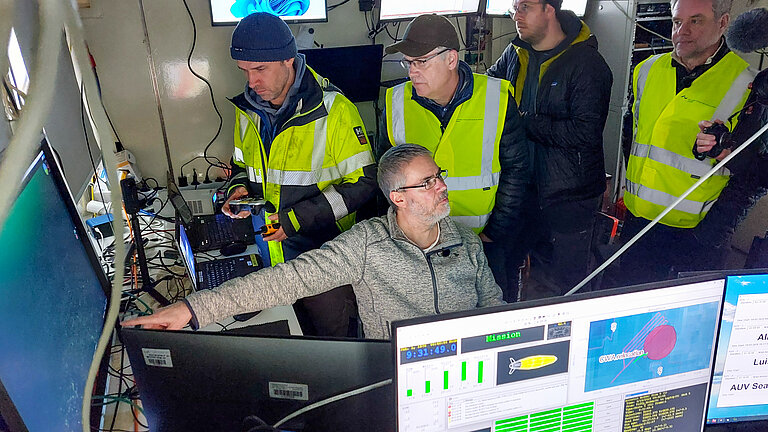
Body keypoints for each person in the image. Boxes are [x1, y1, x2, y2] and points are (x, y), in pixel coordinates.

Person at [123, 145, 505, 339]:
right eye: (428, 182)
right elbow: (287, 279)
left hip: (465, 368)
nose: (442, 186)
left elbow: (494, 309)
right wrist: (193, 309)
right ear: (398, 198)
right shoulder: (368, 245)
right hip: (397, 377)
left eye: (439, 176)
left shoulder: (467, 244)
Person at [220, 13, 378, 336]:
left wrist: (296, 219)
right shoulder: (247, 111)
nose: (251, 82)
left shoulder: (334, 110)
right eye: (245, 71)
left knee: (333, 355)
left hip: (324, 263)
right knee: (290, 347)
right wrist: (237, 189)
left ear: (288, 59)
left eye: (260, 69)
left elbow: (365, 183)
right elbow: (242, 165)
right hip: (272, 257)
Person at [377, 14, 530, 303]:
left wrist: (495, 233)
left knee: (488, 317)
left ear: (451, 59)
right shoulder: (395, 101)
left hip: (485, 239)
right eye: (408, 62)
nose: (412, 72)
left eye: (421, 61)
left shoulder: (495, 97)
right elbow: (387, 177)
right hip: (419, 243)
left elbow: (517, 172)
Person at [618, 0, 765, 285]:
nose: (681, 32)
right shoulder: (646, 70)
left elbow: (756, 176)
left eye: (695, 21)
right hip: (638, 224)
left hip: (696, 237)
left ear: (723, 23)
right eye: (676, 22)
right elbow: (632, 137)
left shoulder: (748, 85)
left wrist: (714, 232)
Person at [487, 0, 613, 297]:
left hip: (569, 197)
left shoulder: (587, 64)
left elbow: (584, 132)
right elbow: (488, 92)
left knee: (569, 283)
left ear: (549, 10)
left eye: (525, 7)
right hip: (520, 188)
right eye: (514, 7)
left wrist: (523, 122)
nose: (516, 15)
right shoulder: (514, 53)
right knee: (502, 268)